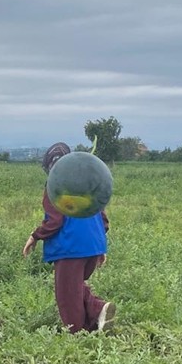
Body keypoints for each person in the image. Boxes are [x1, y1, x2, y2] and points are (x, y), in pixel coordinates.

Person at [22, 142, 115, 333]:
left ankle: (77, 335)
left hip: (70, 247)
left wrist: (35, 236)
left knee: (67, 296)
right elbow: (102, 217)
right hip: (92, 245)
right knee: (75, 287)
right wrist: (99, 247)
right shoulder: (87, 182)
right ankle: (97, 318)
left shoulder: (56, 185)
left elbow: (55, 221)